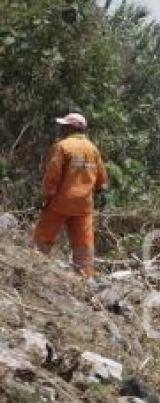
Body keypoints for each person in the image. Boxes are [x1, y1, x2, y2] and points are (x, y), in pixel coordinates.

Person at [34, 113, 108, 279]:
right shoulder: (93, 149)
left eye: (64, 126)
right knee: (84, 246)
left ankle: (35, 270)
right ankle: (85, 278)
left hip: (60, 203)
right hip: (83, 206)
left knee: (42, 239)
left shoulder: (62, 146)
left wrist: (43, 198)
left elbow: (52, 177)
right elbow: (102, 182)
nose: (61, 129)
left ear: (69, 128)